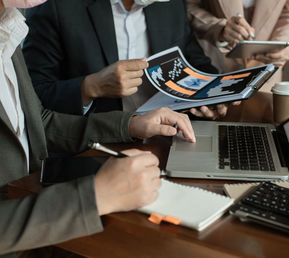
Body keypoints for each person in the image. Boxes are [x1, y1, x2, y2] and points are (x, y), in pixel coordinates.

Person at [0, 1, 196, 255]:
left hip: (39, 222)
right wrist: (95, 197)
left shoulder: (8, 25)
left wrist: (131, 125)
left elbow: (39, 122)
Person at [22, 0, 234, 120]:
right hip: (96, 144)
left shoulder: (168, 4)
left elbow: (193, 60)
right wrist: (90, 87)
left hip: (171, 133)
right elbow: (33, 96)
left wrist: (212, 96)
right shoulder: (57, 7)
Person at [186, 0, 289, 122]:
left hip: (266, 71)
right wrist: (218, 28)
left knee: (262, 134)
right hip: (213, 64)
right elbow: (188, 6)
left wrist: (282, 44)